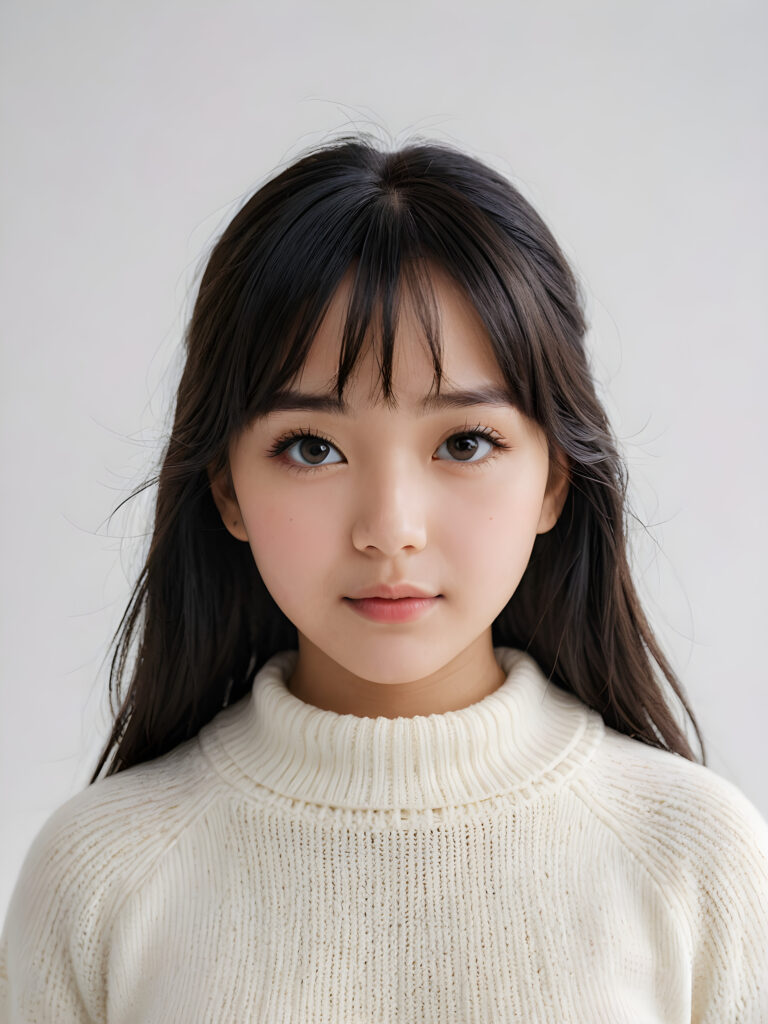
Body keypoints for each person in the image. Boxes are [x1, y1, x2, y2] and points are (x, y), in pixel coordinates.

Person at [1, 133, 766, 1023]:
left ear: (554, 478)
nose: (389, 530)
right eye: (312, 448)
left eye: (465, 443)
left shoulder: (695, 859)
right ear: (227, 489)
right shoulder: (101, 876)